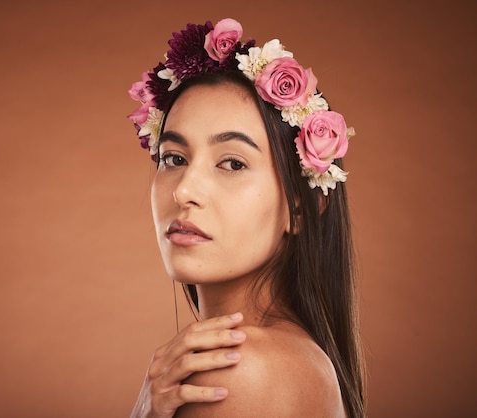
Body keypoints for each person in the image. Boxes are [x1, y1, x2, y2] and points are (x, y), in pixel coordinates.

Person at [127, 18, 365, 417]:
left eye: (233, 164)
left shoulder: (239, 368)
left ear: (300, 207)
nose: (184, 191)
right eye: (174, 158)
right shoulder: (293, 355)